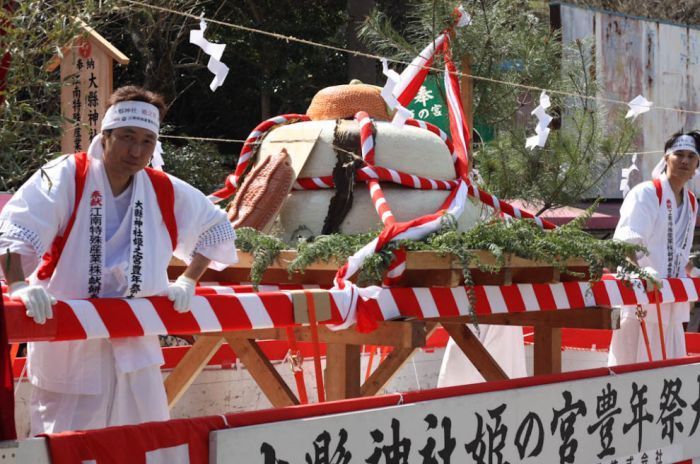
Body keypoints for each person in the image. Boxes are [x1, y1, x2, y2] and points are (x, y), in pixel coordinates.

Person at [0, 86, 238, 434]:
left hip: (136, 348)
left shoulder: (163, 187)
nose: (136, 150)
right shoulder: (65, 173)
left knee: (144, 443)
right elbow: (12, 229)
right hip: (71, 345)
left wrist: (189, 279)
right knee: (67, 445)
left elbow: (217, 229)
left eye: (146, 141)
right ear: (106, 135)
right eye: (127, 137)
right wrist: (19, 283)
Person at [609, 130, 700, 365]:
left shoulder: (691, 201)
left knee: (670, 378)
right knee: (633, 371)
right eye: (679, 154)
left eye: (691, 156)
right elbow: (623, 245)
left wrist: (693, 271)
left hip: (672, 302)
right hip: (642, 302)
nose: (685, 161)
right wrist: (640, 273)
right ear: (666, 157)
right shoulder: (647, 193)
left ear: (697, 163)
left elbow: (676, 252)